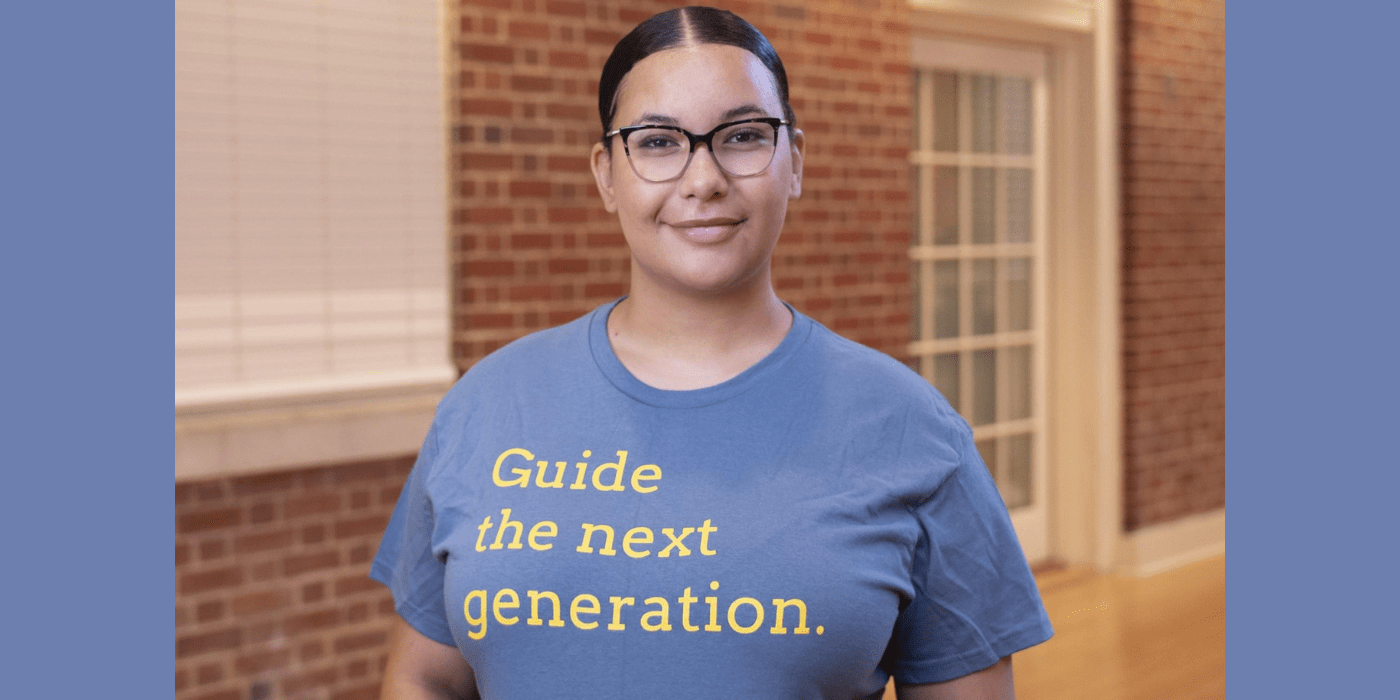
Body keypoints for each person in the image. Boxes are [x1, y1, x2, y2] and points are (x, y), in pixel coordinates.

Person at [372, 6, 1052, 699]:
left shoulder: (911, 429)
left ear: (794, 163)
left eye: (744, 136)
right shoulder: (487, 404)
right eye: (659, 142)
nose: (703, 179)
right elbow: (424, 677)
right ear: (607, 174)